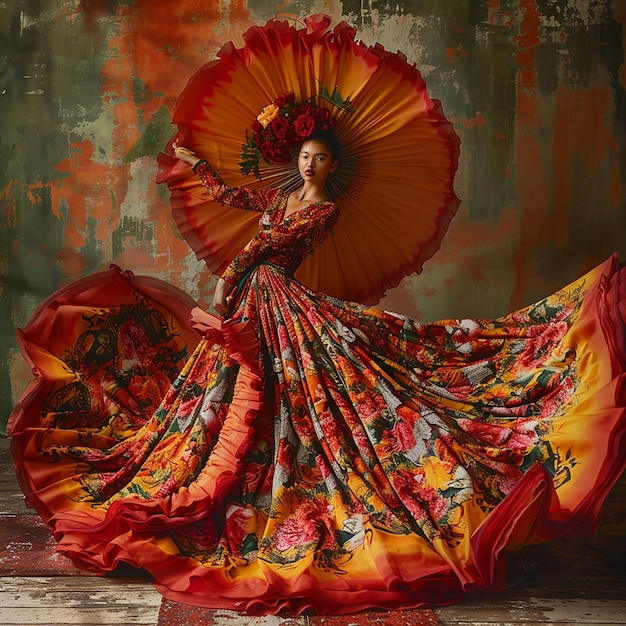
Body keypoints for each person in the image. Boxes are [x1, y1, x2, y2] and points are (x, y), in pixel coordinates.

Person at [8, 128, 626, 616]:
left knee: (325, 389)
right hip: (253, 298)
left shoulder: (322, 211)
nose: (309, 166)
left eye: (319, 159)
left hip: (275, 296)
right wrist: (196, 165)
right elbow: (233, 199)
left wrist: (229, 275)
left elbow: (267, 247)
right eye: (303, 156)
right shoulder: (281, 194)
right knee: (223, 397)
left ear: (333, 168)